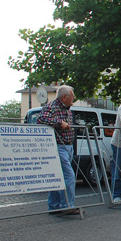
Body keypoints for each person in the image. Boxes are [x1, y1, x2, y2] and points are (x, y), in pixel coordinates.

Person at [36, 85, 80, 215]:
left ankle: (54, 206)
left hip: (67, 146)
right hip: (58, 146)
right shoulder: (52, 107)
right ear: (65, 97)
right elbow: (41, 119)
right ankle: (66, 205)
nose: (74, 98)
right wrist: (59, 123)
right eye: (72, 96)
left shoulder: (67, 108)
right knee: (68, 176)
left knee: (58, 177)